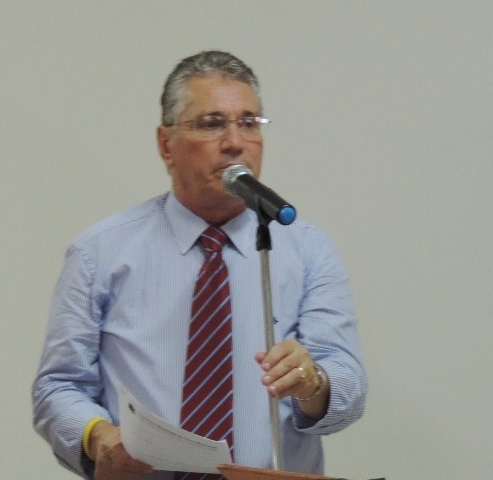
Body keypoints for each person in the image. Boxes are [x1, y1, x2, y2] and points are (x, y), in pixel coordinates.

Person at [32, 50, 367, 480]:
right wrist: (99, 438)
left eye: (249, 123)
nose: (235, 142)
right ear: (165, 144)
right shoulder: (101, 252)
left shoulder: (307, 250)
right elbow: (58, 387)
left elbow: (348, 388)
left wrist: (313, 383)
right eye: (212, 123)